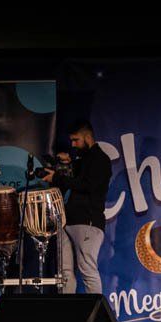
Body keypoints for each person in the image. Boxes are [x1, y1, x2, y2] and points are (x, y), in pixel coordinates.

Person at [41, 120, 111, 294]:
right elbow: (78, 176)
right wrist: (69, 163)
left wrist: (57, 178)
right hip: (68, 221)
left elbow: (87, 185)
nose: (73, 144)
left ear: (87, 137)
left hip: (87, 222)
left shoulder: (100, 159)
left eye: (76, 140)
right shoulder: (84, 159)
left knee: (87, 270)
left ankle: (96, 317)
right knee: (65, 272)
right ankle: (68, 315)